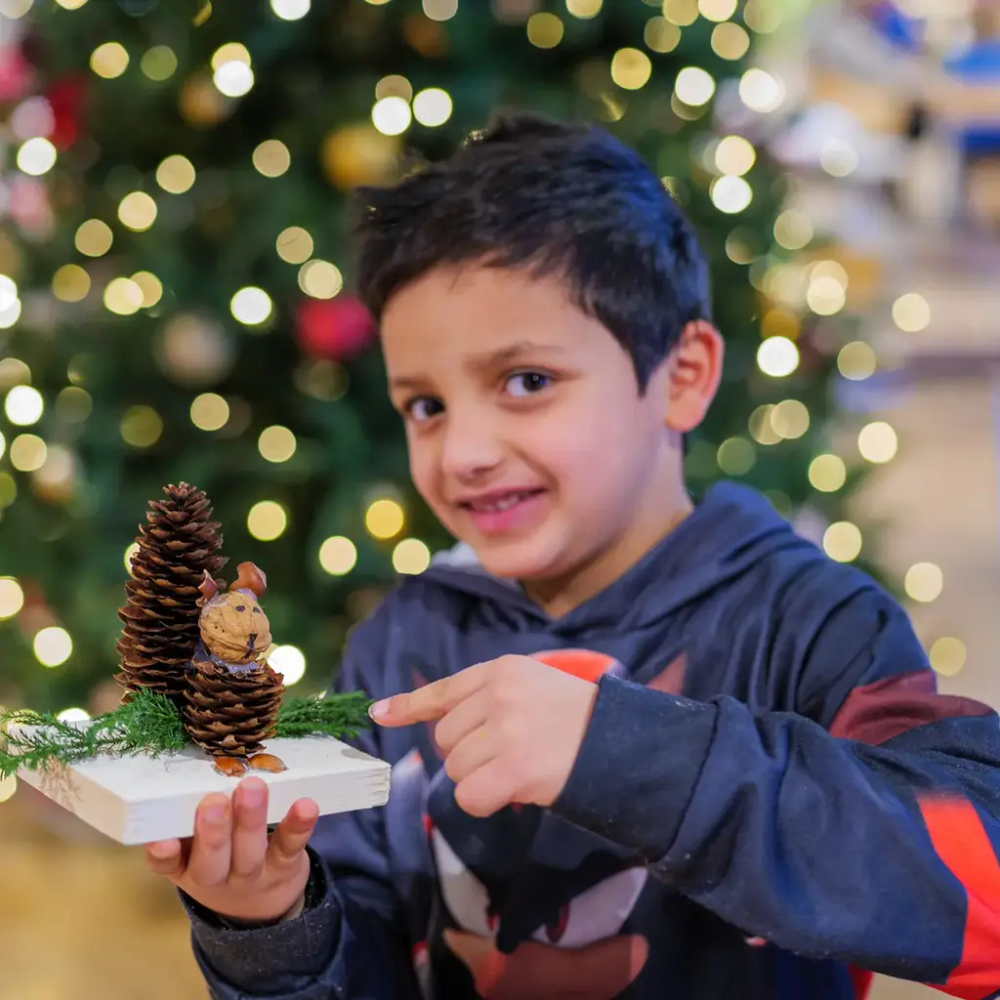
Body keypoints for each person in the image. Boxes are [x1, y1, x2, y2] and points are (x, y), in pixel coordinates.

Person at [145, 112, 1000, 1000]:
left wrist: (618, 748)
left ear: (683, 376)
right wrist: (274, 923)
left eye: (527, 382)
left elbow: (983, 888)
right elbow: (364, 957)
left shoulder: (815, 624)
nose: (463, 450)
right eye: (425, 405)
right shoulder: (403, 642)